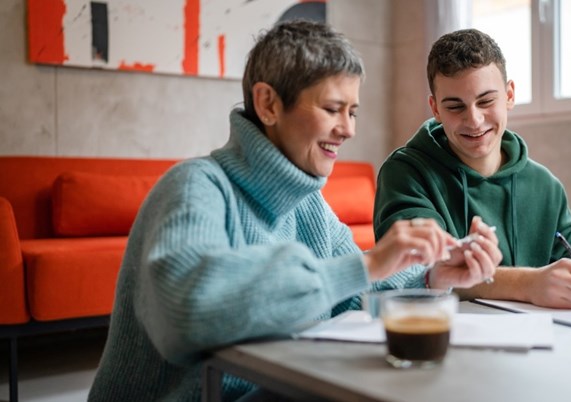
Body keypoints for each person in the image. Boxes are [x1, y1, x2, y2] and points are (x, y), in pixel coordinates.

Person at [88, 21, 499, 402]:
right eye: (333, 108)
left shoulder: (308, 204)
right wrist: (369, 263)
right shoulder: (196, 187)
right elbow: (188, 315)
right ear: (268, 104)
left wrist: (433, 273)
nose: (349, 129)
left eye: (353, 112)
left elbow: (352, 290)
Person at [374, 28, 571, 310]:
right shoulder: (405, 173)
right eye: (455, 107)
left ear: (510, 95)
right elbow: (418, 272)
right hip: (447, 340)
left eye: (486, 100)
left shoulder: (545, 185)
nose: (474, 120)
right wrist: (528, 284)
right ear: (435, 108)